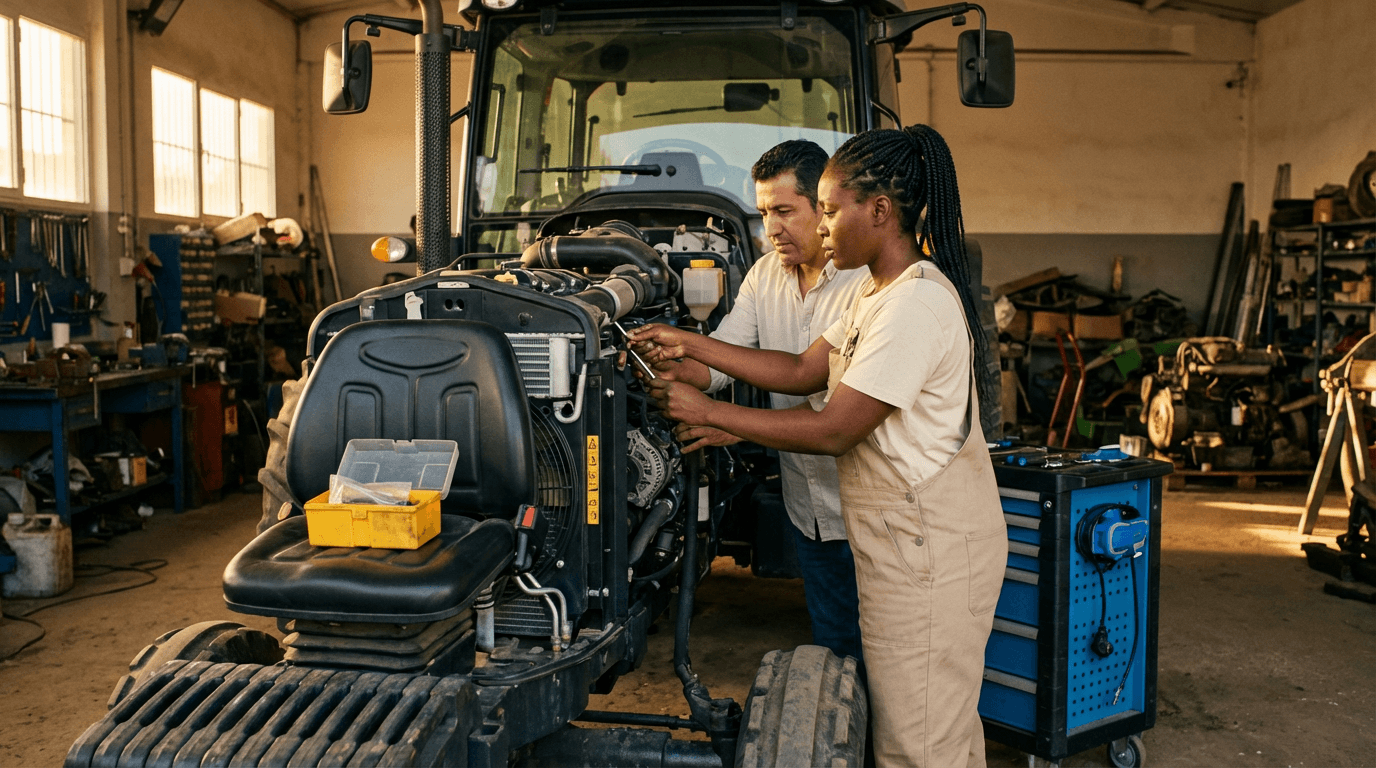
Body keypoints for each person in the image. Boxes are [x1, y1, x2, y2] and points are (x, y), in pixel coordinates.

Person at [630, 124, 1007, 767]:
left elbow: (835, 426)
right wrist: (686, 343)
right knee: (909, 722)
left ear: (880, 211)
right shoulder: (872, 289)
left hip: (928, 543)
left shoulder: (914, 303)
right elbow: (804, 371)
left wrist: (712, 411)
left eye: (827, 212)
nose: (822, 230)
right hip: (895, 536)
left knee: (920, 740)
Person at [651, 139, 870, 670]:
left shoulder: (866, 283)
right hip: (810, 507)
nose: (770, 227)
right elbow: (720, 366)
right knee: (837, 647)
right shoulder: (764, 274)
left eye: (784, 211)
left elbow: (820, 396)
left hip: (866, 509)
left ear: (823, 207)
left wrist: (731, 422)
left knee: (887, 654)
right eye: (764, 212)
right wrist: (664, 361)